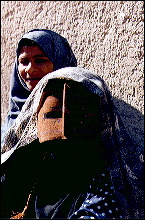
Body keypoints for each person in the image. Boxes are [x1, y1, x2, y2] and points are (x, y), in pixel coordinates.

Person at [1, 67, 144, 219]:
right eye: (52, 114)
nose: (62, 129)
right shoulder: (33, 165)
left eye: (78, 114)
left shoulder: (110, 181)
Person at [1, 29, 77, 145]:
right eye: (24, 61)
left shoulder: (77, 106)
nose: (30, 69)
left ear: (59, 62)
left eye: (40, 60)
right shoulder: (14, 119)